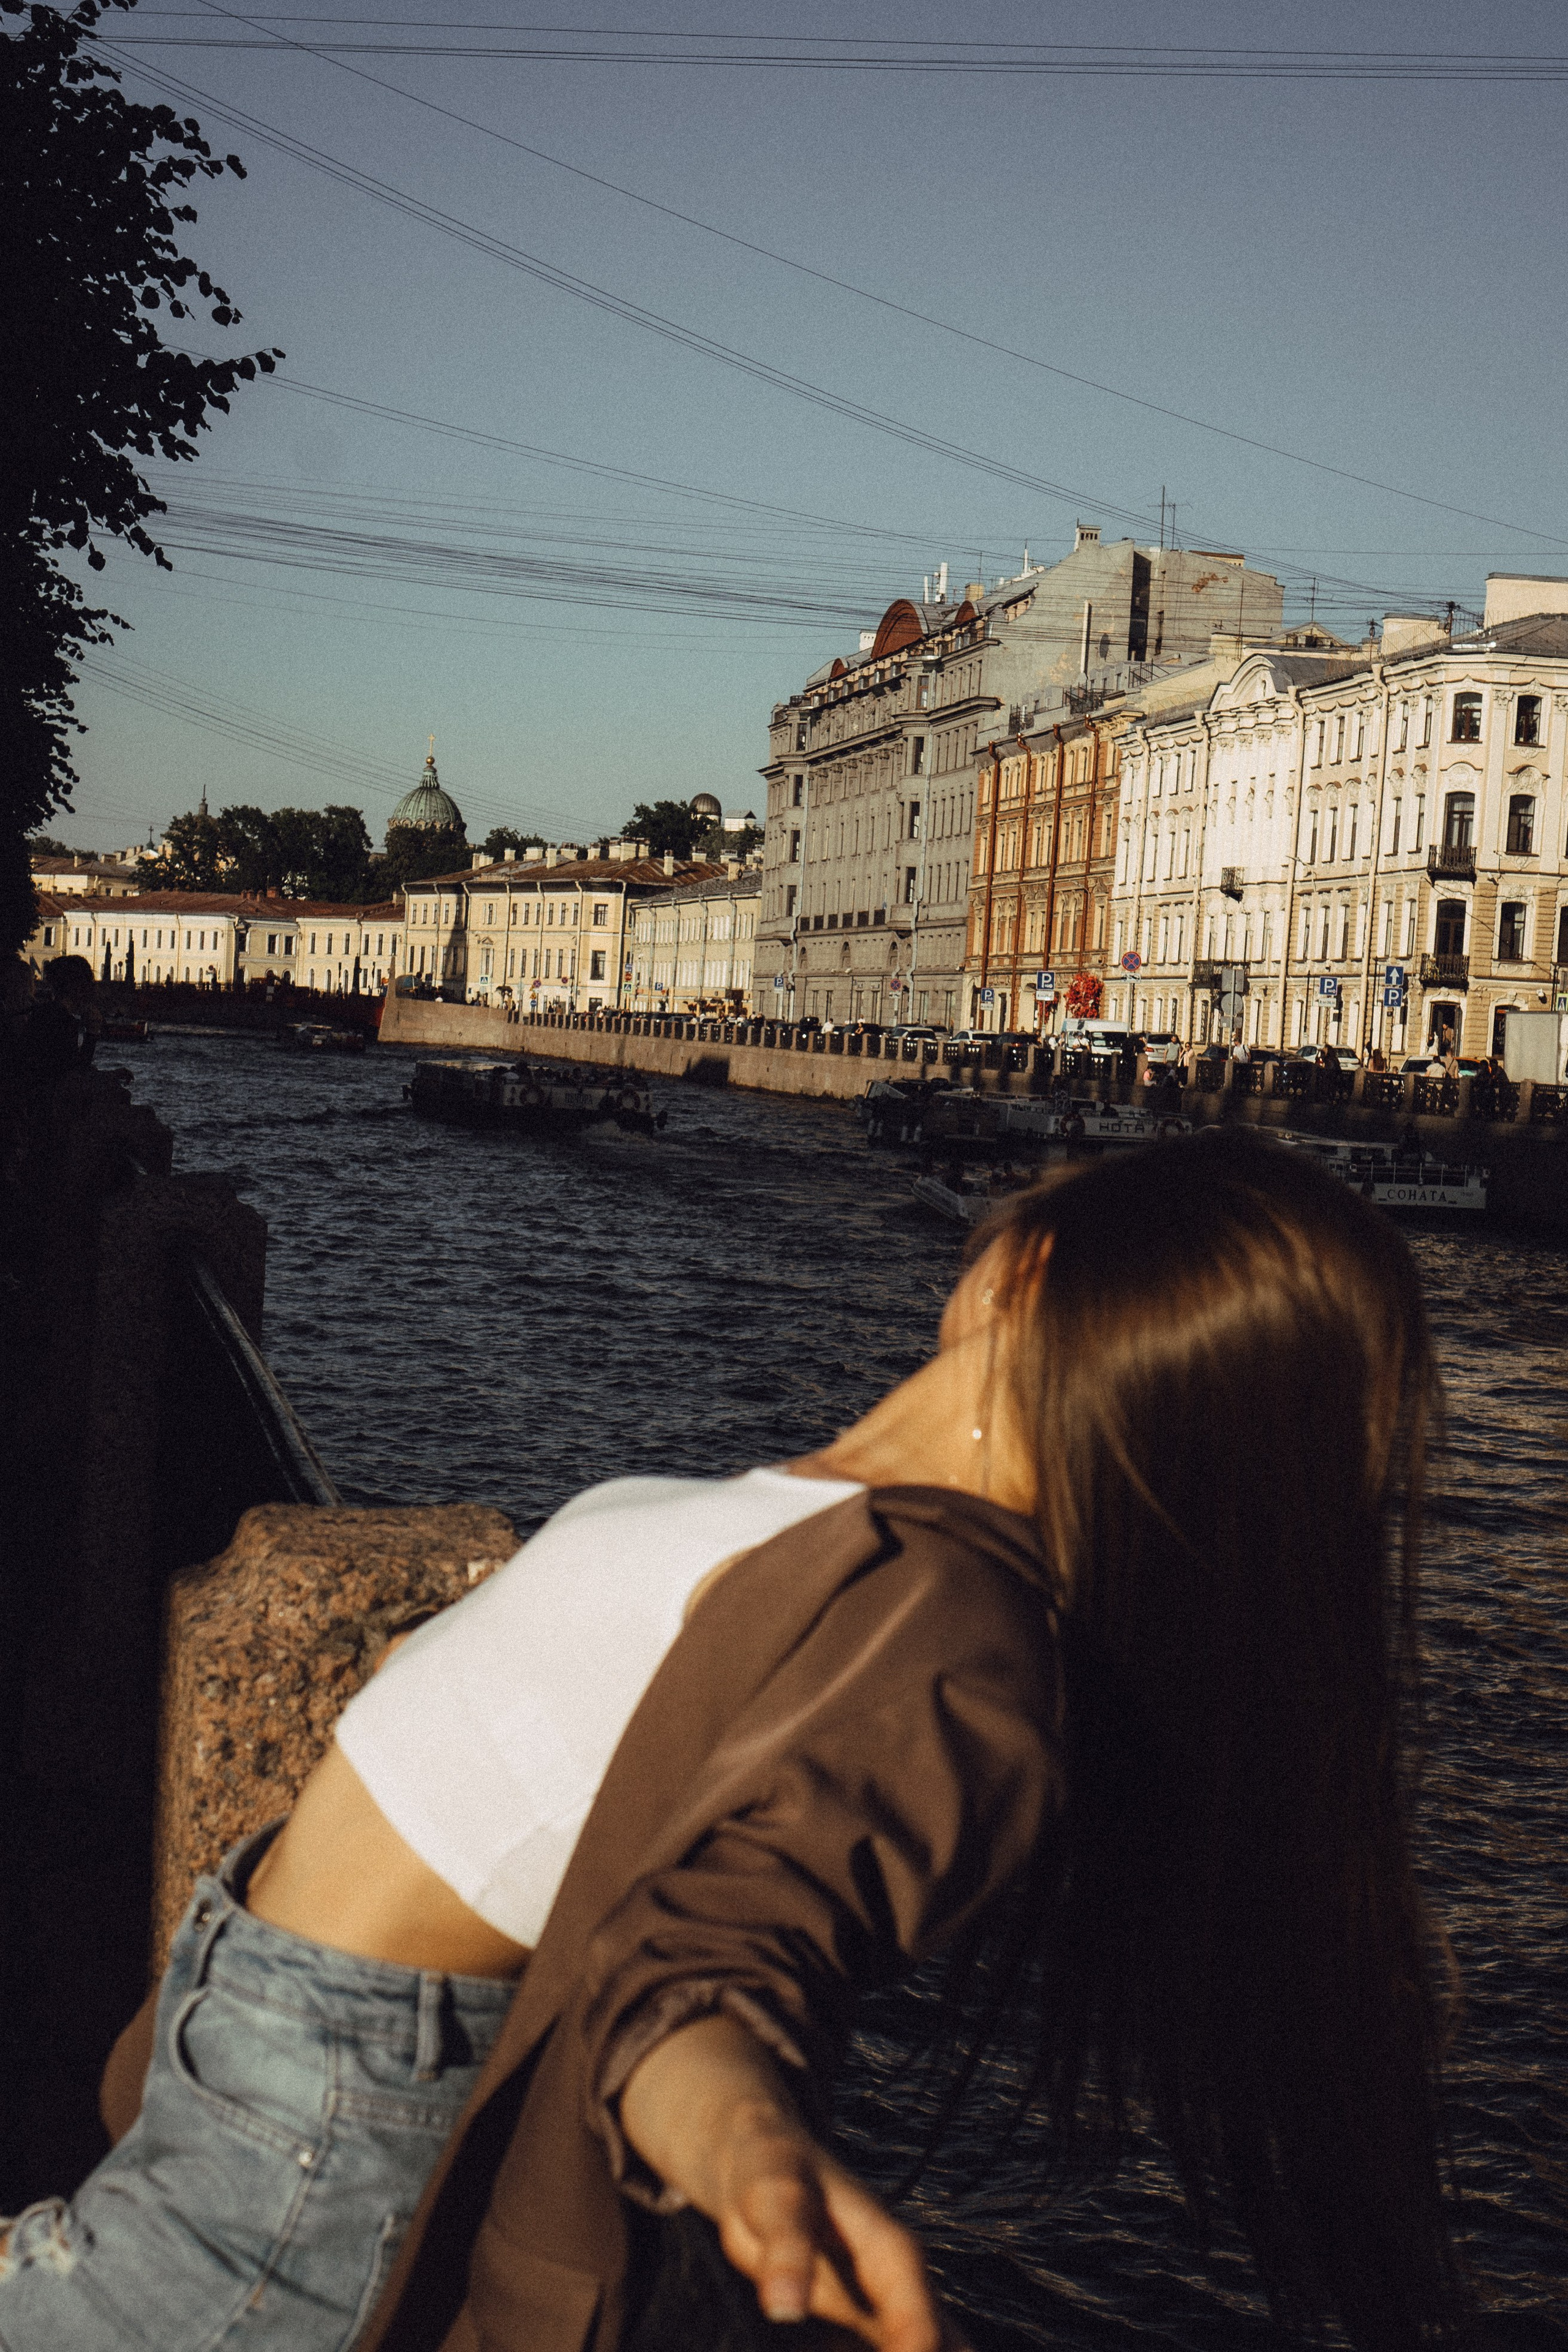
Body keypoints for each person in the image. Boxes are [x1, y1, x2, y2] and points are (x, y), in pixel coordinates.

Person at [4, 1137, 1461, 2352]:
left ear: (1024, 1272)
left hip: (303, 2165)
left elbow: (725, 1952)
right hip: (252, 2083)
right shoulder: (856, 1524)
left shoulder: (954, 1625)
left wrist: (738, 2143)